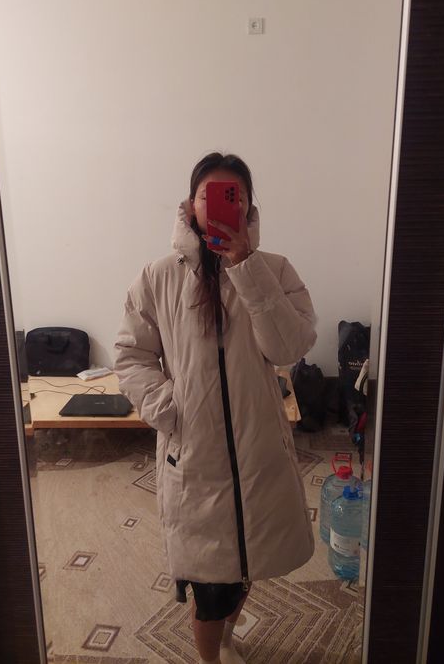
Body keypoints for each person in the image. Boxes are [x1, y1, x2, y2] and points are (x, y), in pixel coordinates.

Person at [114, 152, 317, 664]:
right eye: (211, 195)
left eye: (235, 195)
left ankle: (226, 640)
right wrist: (168, 406)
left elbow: (288, 347)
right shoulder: (158, 276)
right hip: (196, 452)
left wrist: (246, 267)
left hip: (258, 448)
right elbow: (131, 354)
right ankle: (211, 656)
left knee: (247, 566)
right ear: (191, 204)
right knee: (209, 583)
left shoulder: (274, 270)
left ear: (248, 206)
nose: (224, 204)